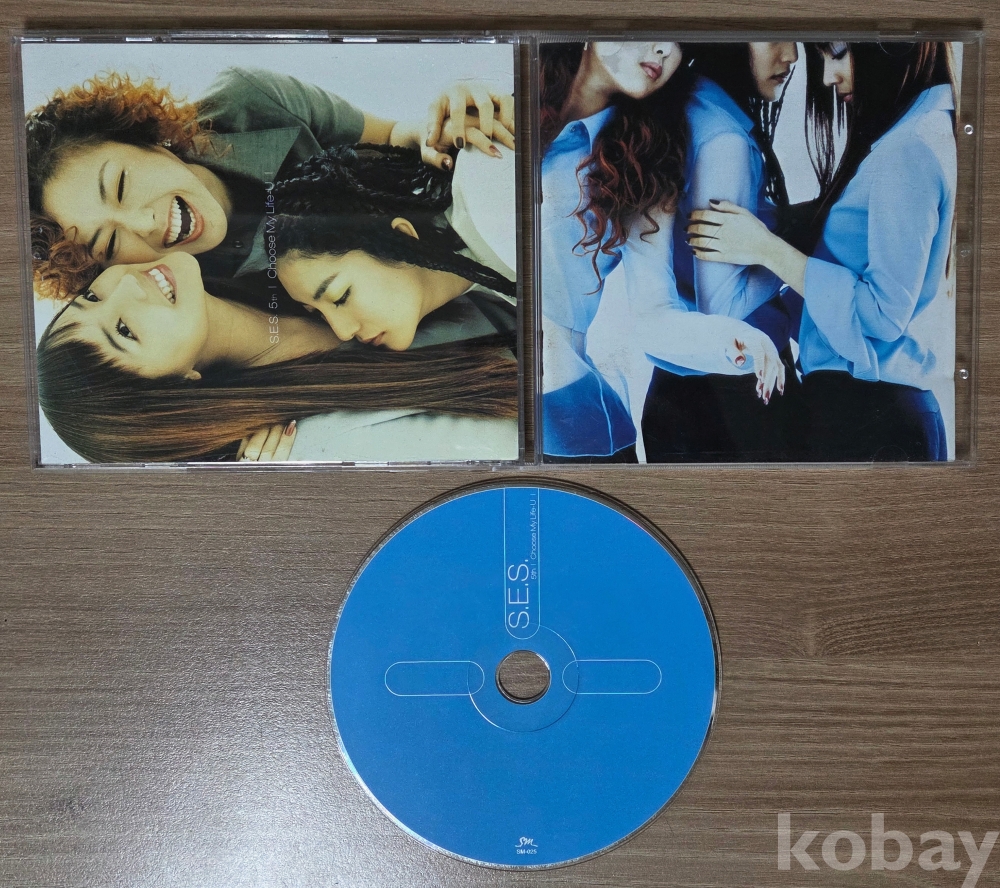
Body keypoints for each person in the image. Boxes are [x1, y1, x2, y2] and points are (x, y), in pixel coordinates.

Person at [26, 67, 514, 307]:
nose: (145, 223)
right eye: (110, 244)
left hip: (484, 220)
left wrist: (444, 118)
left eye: (120, 184)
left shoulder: (247, 99)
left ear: (147, 139)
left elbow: (391, 137)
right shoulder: (195, 303)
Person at [688, 41, 956, 461]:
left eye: (839, 53)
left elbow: (882, 314)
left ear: (891, 47)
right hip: (869, 404)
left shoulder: (908, 149)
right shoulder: (918, 132)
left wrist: (767, 249)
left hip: (870, 410)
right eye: (823, 59)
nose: (829, 76)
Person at [538, 41, 784, 462]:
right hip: (454, 364)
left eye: (680, 40)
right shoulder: (506, 93)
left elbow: (653, 315)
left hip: (566, 422)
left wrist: (732, 337)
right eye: (650, 22)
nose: (664, 49)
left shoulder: (641, 164)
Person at [36, 252, 518, 463]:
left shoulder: (264, 253)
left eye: (90, 298)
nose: (124, 285)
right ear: (177, 387)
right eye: (123, 331)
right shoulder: (321, 443)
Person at [641, 42, 806, 462]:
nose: (791, 55)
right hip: (738, 397)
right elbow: (723, 309)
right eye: (772, 37)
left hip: (680, 386)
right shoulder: (725, 139)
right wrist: (792, 250)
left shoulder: (689, 102)